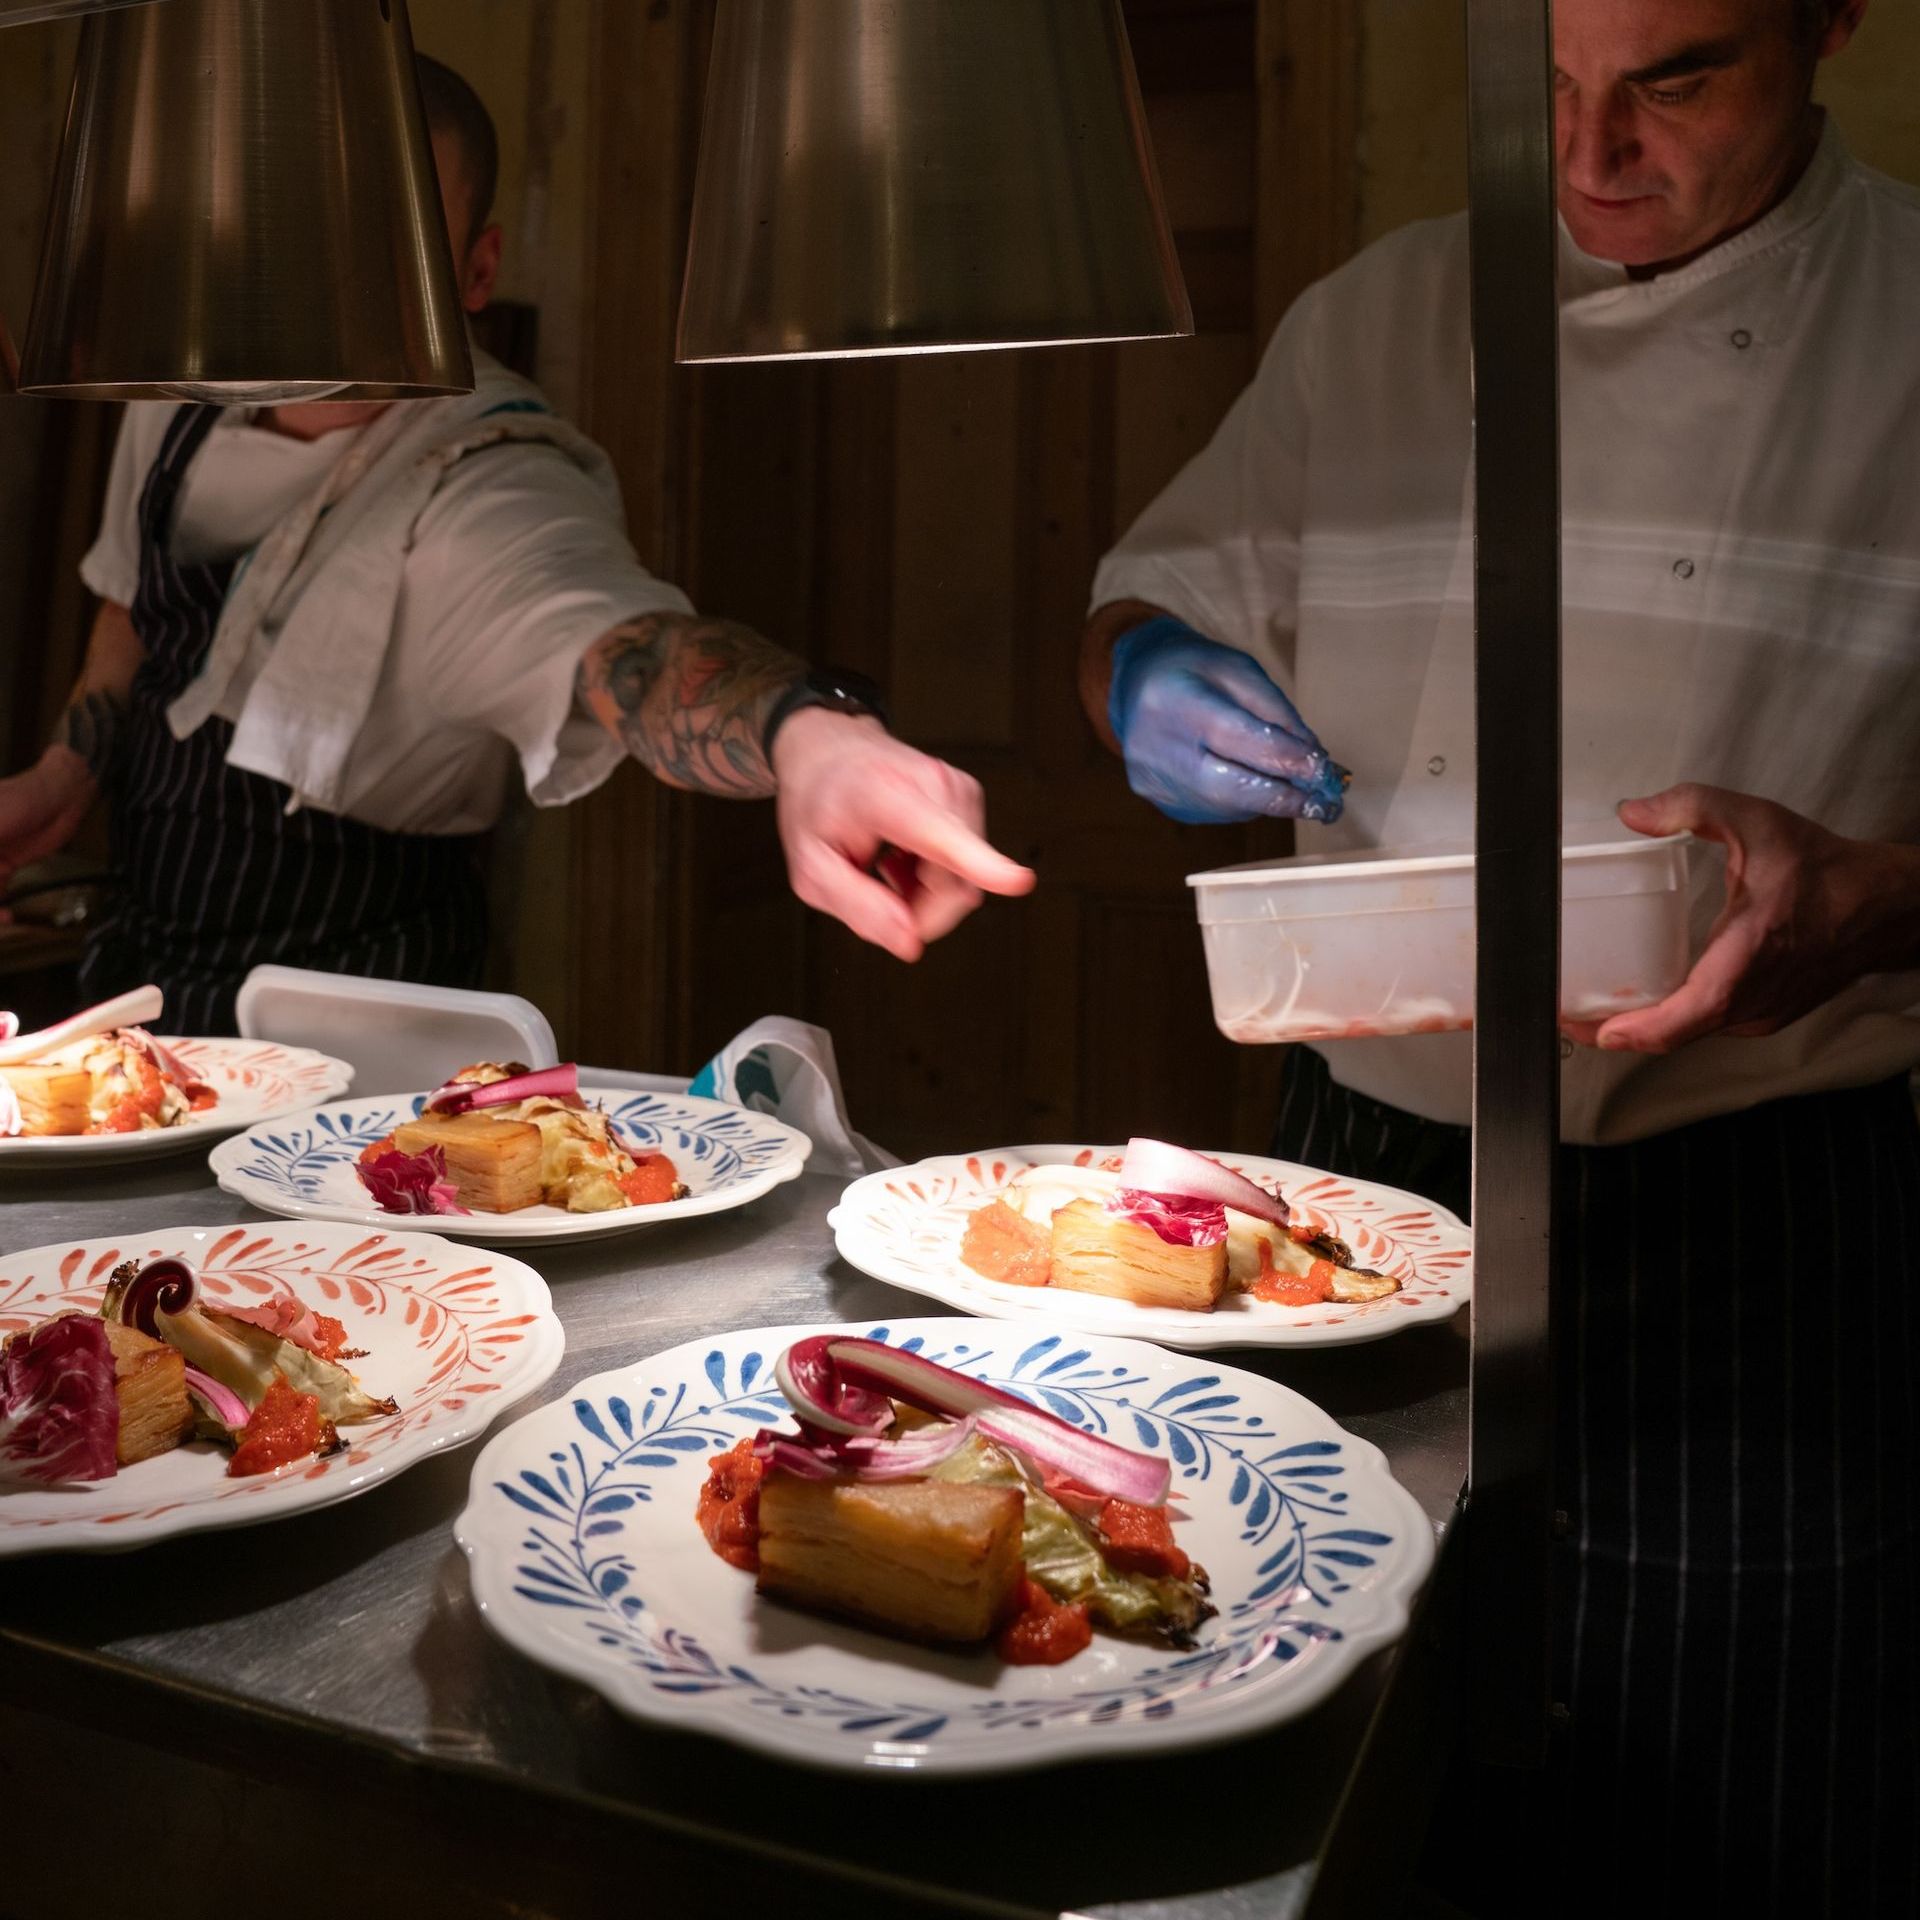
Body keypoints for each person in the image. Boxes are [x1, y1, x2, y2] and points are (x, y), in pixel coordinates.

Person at [1083, 0, 1916, 1908]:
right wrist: (1139, 668)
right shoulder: (1380, 313)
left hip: (1754, 1226)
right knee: (1308, 1762)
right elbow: (1163, 579)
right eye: (1539, 84)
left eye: (1675, 78)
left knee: (1736, 1799)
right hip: (1342, 1186)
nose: (1588, 152)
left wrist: (1890, 894)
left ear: (1833, 27)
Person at [0, 57, 1032, 1034]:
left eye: (382, 240)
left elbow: (633, 655)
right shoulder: (180, 387)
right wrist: (61, 778)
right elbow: (131, 608)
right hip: (144, 985)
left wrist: (813, 735)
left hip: (366, 1030)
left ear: (475, 268)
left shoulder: (492, 478)